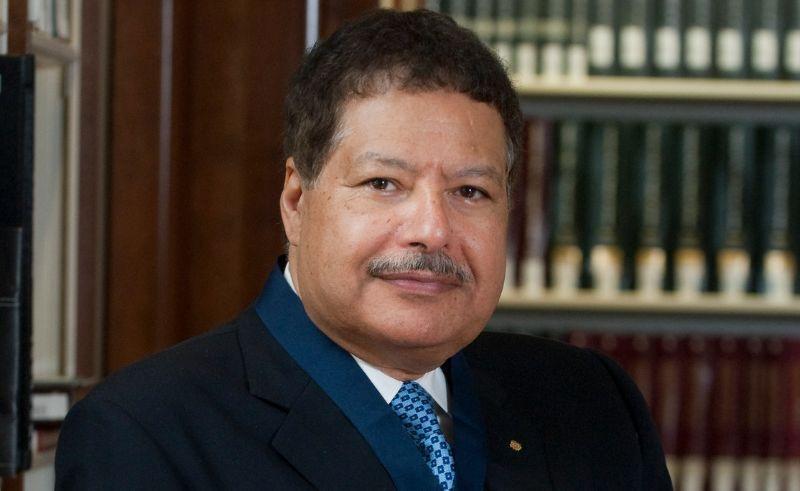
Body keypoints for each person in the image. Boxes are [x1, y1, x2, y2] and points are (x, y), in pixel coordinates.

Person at [55, 9, 671, 490]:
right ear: (296, 200)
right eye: (383, 184)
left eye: (470, 191)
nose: (431, 229)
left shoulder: (591, 403)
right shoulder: (145, 433)